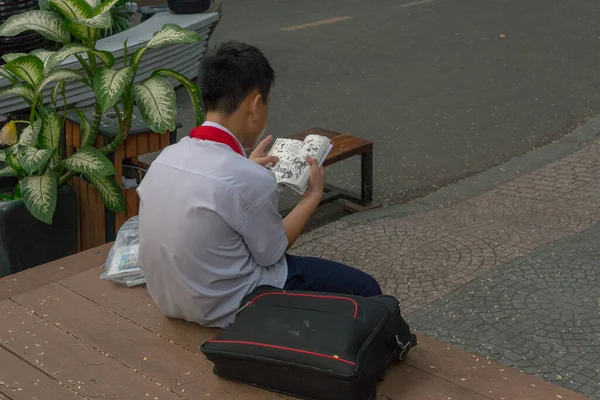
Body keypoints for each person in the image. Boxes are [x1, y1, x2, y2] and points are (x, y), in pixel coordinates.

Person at [137, 41, 382, 329]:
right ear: (255, 105)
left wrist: (246, 166)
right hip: (231, 307)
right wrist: (311, 197)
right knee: (367, 289)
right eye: (266, 102)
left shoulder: (166, 159)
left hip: (171, 300)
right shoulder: (249, 178)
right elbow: (272, 253)